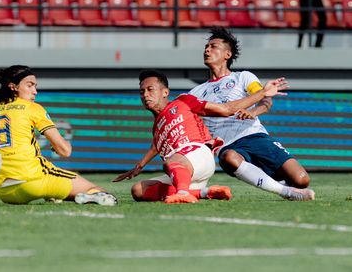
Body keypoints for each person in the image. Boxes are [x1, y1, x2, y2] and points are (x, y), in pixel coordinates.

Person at [0, 65, 117, 206]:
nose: (35, 91)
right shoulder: (32, 108)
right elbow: (65, 151)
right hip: (33, 182)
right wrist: (58, 146)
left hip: (3, 192)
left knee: (50, 178)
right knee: (103, 193)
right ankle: (85, 196)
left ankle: (54, 195)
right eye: (30, 85)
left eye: (35, 86)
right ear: (13, 86)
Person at [113, 69, 288, 204]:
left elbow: (226, 109)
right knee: (138, 190)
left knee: (172, 160)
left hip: (198, 156)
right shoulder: (158, 127)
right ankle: (202, 192)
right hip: (185, 172)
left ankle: (182, 194)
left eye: (150, 89)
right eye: (142, 92)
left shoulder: (183, 101)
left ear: (165, 92)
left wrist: (262, 93)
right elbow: (156, 146)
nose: (145, 95)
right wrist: (139, 166)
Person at [189, 27, 315, 201]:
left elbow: (266, 101)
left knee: (302, 180)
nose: (207, 50)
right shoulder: (195, 92)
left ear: (227, 54)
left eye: (213, 46)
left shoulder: (244, 77)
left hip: (255, 136)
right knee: (228, 158)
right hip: (228, 145)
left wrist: (253, 111)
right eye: (206, 47)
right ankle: (284, 191)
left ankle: (280, 184)